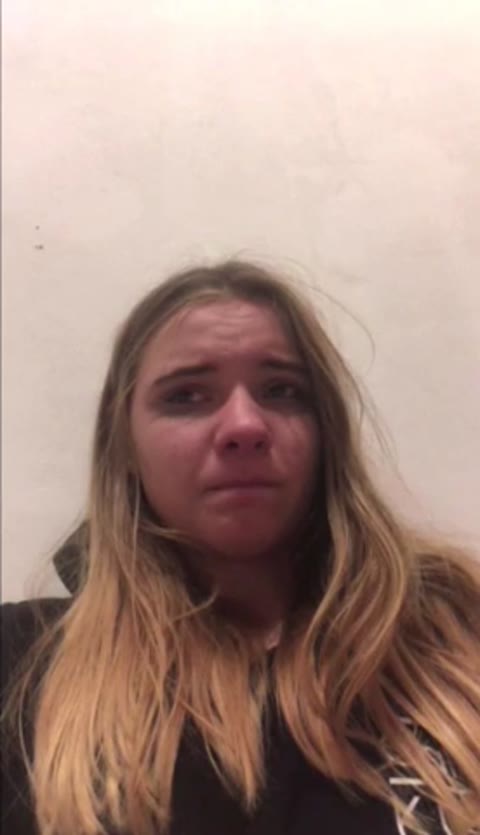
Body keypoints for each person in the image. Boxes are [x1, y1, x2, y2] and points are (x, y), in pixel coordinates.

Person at [1, 259, 479, 835]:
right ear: (123, 444)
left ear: (325, 431)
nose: (245, 425)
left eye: (282, 390)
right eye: (186, 396)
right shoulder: (20, 664)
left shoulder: (457, 628)